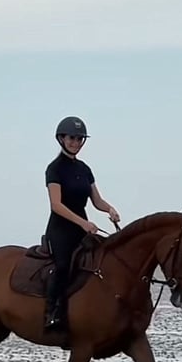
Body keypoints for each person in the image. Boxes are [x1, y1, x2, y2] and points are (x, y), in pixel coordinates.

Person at [44, 116, 121, 331]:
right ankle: (51, 313)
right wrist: (83, 223)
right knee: (63, 266)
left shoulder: (84, 169)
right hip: (60, 230)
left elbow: (96, 201)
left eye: (79, 139)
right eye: (71, 138)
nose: (75, 142)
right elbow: (56, 205)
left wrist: (110, 209)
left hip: (81, 229)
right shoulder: (54, 169)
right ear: (61, 138)